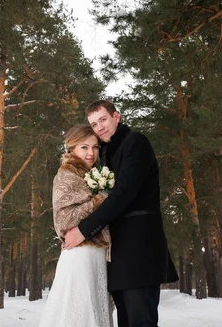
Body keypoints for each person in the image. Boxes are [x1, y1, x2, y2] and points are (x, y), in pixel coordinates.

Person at [64, 100, 178, 327]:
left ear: (116, 116)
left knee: (140, 321)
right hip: (115, 255)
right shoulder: (102, 154)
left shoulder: (135, 142)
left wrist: (83, 230)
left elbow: (124, 193)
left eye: (103, 120)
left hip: (139, 250)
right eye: (94, 124)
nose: (99, 128)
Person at [39, 124, 114, 327]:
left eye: (95, 147)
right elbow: (63, 220)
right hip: (80, 255)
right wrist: (100, 200)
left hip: (97, 256)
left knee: (95, 312)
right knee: (79, 312)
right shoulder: (66, 176)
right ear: (71, 149)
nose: (91, 153)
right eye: (84, 147)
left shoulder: (92, 175)